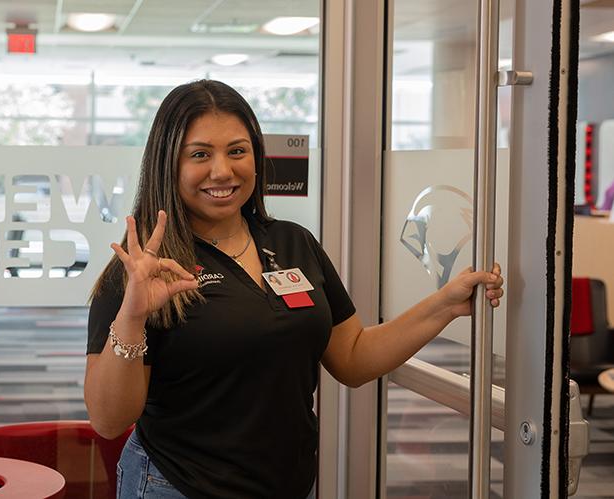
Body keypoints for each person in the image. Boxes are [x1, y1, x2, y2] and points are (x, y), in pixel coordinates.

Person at [84, 80, 504, 499]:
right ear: (168, 164)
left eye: (237, 151)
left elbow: (353, 356)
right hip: (177, 486)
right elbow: (109, 420)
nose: (222, 171)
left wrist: (445, 304)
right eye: (199, 155)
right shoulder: (144, 269)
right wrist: (133, 314)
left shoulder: (292, 243)